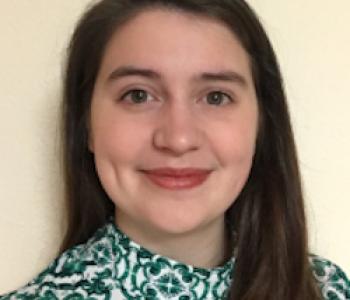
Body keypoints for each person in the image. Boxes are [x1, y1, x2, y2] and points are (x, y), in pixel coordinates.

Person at [1, 0, 349, 299]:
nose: (178, 138)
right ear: (86, 125)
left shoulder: (328, 289)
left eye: (216, 97)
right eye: (138, 95)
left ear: (262, 124)